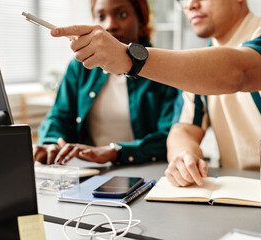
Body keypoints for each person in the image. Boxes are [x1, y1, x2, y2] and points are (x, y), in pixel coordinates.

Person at [50, 0, 261, 184]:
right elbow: (183, 130)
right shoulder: (201, 68)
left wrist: (129, 58)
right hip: (242, 198)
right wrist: (184, 155)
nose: (190, 4)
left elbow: (238, 72)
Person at [34, 0, 178, 166]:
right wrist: (50, 143)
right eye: (101, 17)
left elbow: (171, 137)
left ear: (141, 18)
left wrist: (115, 151)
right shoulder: (80, 67)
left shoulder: (165, 68)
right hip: (90, 171)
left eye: (122, 14)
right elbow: (59, 115)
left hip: (147, 171)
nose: (110, 25)